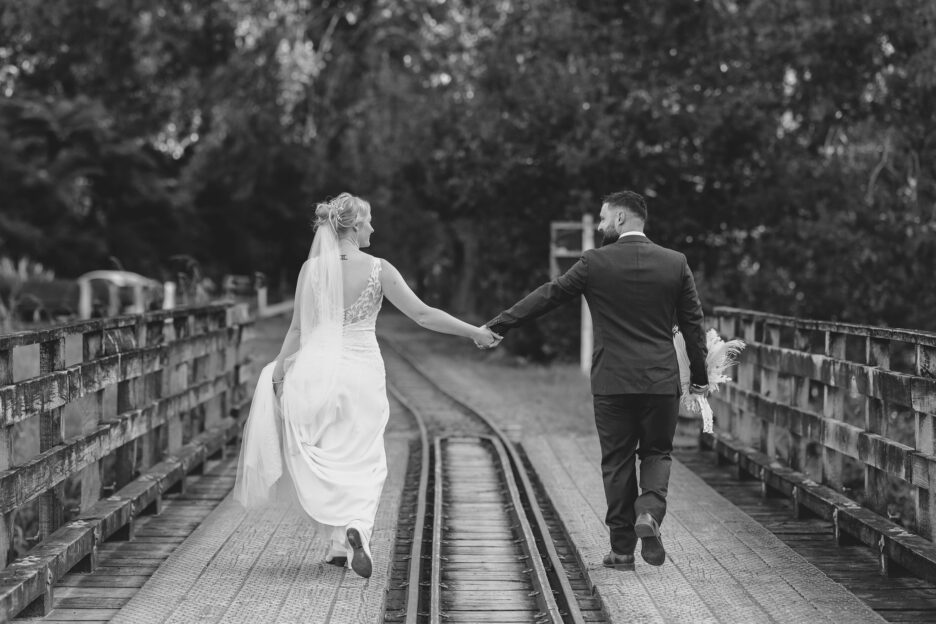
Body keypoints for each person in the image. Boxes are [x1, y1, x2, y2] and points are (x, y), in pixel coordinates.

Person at [234, 193, 499, 578]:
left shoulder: (311, 269)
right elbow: (423, 315)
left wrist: (277, 374)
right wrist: (474, 331)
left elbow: (297, 329)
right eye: (369, 221)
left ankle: (339, 546)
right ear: (355, 225)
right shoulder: (379, 269)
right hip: (361, 372)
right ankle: (358, 526)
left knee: (327, 452)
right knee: (365, 457)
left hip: (315, 371)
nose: (373, 227)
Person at [485, 190, 709, 570]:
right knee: (656, 452)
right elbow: (693, 326)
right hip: (659, 381)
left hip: (612, 382)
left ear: (621, 219)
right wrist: (700, 379)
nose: (601, 224)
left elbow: (549, 296)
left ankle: (621, 551)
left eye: (604, 218)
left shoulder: (595, 263)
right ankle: (650, 513)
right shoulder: (675, 264)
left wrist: (499, 324)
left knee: (617, 462)